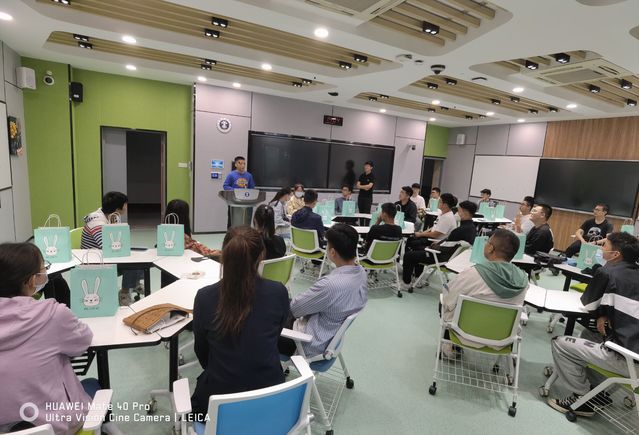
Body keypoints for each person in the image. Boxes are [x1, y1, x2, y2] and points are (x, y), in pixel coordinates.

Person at [0, 242, 103, 434]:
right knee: (93, 386)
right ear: (32, 281)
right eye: (43, 269)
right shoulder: (52, 315)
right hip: (55, 427)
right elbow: (83, 341)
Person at [190, 227, 290, 419]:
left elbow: (202, 352)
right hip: (270, 400)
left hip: (218, 406)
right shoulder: (278, 292)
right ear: (261, 255)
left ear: (224, 255)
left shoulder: (204, 298)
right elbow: (275, 336)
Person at [547, 232, 639, 417]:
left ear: (615, 254)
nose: (601, 249)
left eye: (605, 246)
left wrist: (600, 314)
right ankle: (597, 390)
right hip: (633, 348)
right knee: (590, 334)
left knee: (560, 343)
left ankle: (582, 399)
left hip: (630, 360)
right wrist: (604, 315)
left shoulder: (608, 272)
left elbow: (589, 305)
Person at [279, 224, 368, 358]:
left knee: (259, 322)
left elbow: (295, 309)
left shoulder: (331, 285)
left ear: (332, 253)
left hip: (307, 342)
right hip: (330, 334)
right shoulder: (361, 273)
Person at [441, 229, 529, 356]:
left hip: (463, 334)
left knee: (445, 303)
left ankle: (450, 348)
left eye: (487, 241)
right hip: (503, 339)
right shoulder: (523, 280)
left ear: (491, 248)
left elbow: (448, 299)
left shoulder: (473, 273)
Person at [81, 191, 143, 305]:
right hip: (94, 261)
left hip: (103, 256)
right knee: (133, 263)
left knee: (138, 259)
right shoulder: (97, 222)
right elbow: (107, 246)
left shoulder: (111, 216)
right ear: (117, 208)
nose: (127, 206)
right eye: (125, 204)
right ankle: (124, 293)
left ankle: (133, 284)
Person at [401, 201, 477, 290]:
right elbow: (449, 243)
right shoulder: (472, 229)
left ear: (465, 212)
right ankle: (418, 278)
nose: (457, 213)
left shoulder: (460, 230)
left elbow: (445, 247)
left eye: (459, 210)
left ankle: (406, 283)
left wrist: (432, 247)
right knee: (418, 248)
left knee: (409, 255)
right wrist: (437, 244)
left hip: (440, 257)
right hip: (452, 257)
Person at [223, 156, 256, 229]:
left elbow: (252, 188)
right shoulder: (231, 175)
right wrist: (236, 191)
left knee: (245, 221)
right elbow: (225, 186)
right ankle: (230, 234)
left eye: (244, 163)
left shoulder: (249, 175)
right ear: (235, 164)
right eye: (240, 163)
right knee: (232, 221)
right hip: (234, 202)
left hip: (246, 202)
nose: (242, 165)